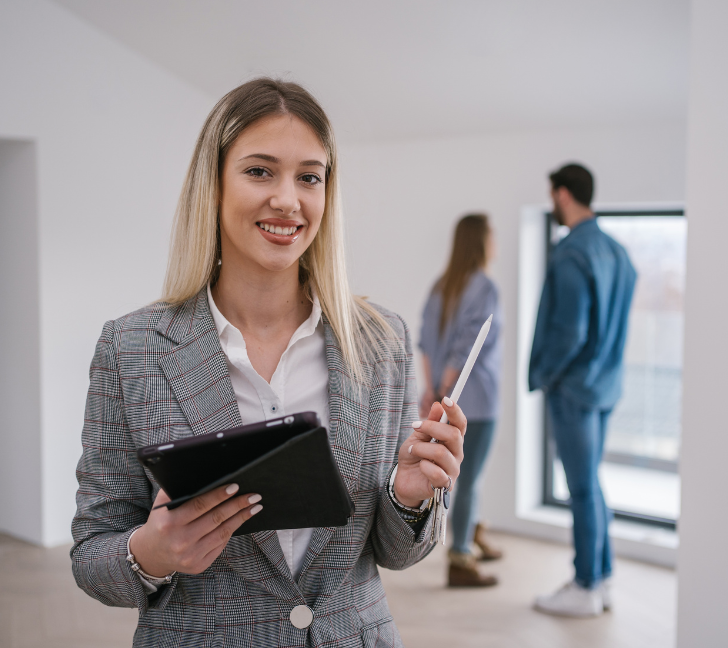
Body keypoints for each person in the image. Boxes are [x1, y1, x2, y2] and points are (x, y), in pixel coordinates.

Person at [70, 78, 466, 648]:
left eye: (309, 176)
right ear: (213, 184)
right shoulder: (131, 348)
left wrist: (408, 495)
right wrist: (151, 553)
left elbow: (397, 553)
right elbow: (92, 556)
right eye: (260, 171)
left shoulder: (383, 341)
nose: (288, 199)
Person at [529, 163, 636, 617]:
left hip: (574, 387)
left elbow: (569, 331)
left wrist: (546, 374)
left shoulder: (572, 252)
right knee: (591, 483)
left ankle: (585, 584)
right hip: (606, 386)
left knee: (581, 488)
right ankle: (603, 578)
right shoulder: (618, 252)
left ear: (563, 194)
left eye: (553, 195)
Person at [418, 214, 503, 588]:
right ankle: (461, 555)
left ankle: (471, 532)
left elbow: (424, 341)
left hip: (440, 393)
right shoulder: (484, 287)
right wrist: (448, 388)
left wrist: (432, 389)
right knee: (468, 479)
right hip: (477, 401)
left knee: (459, 477)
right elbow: (467, 346)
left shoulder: (441, 284)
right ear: (481, 242)